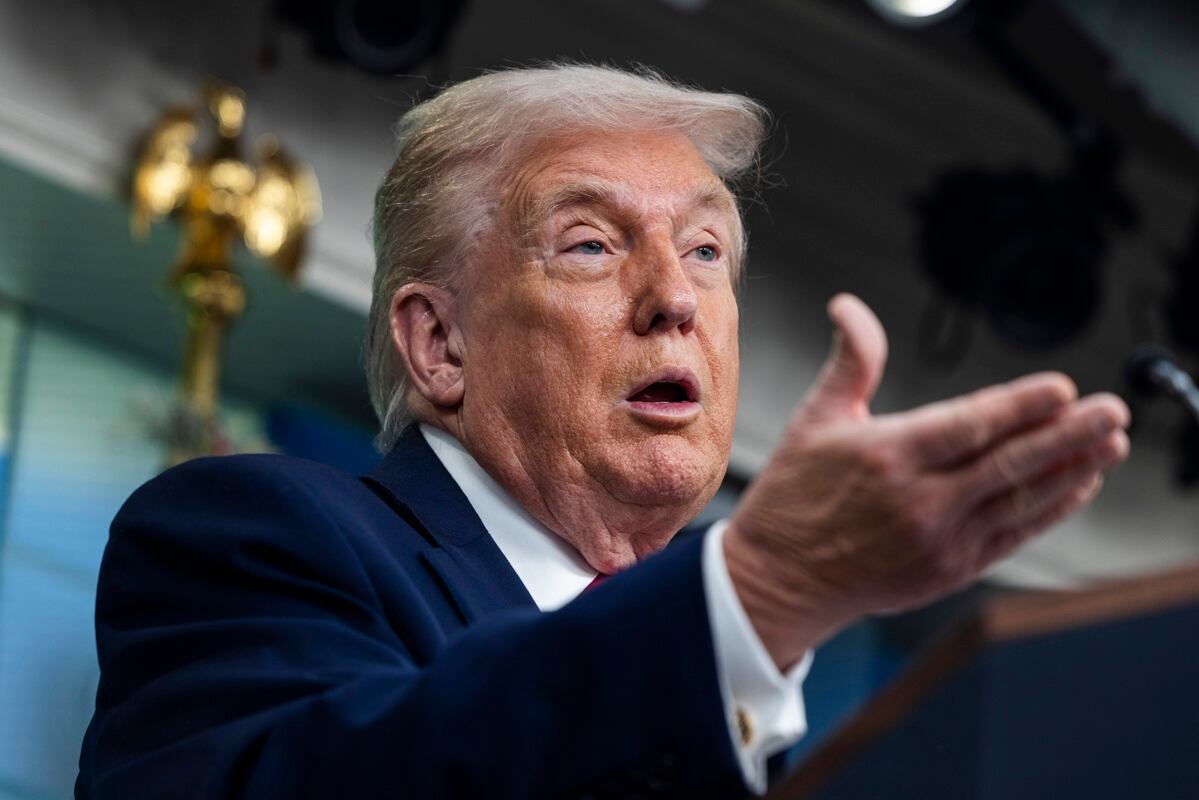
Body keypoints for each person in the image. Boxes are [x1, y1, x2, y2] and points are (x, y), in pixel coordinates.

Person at [76, 64, 1130, 799]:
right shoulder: (257, 535)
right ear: (439, 343)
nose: (674, 297)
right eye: (589, 244)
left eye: (705, 250)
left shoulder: (768, 715)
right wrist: (757, 593)